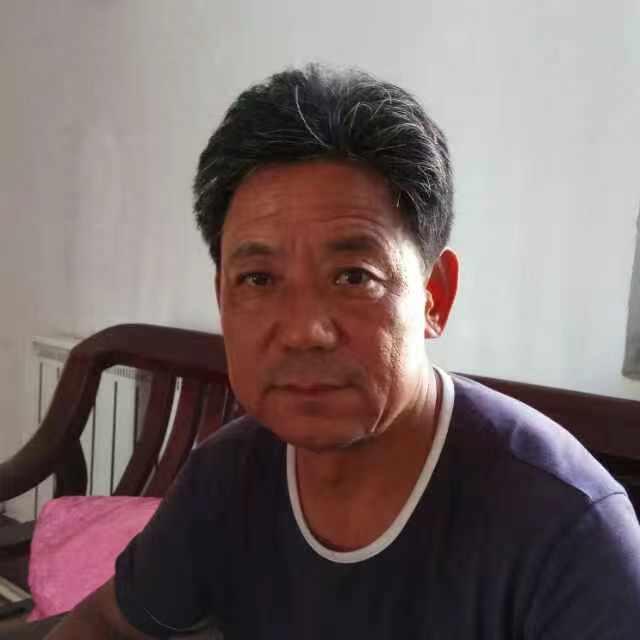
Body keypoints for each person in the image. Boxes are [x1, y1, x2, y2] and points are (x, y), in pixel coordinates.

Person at [48, 65, 640, 639]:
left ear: (434, 296)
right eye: (258, 279)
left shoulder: (567, 529)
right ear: (222, 297)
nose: (305, 330)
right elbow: (107, 623)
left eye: (354, 276)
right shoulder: (225, 478)